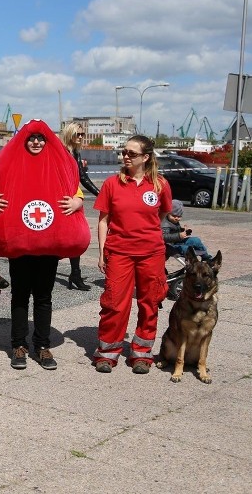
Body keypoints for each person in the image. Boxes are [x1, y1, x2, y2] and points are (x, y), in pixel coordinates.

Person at [0, 120, 88, 371]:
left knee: (43, 297)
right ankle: (18, 345)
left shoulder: (60, 162)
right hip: (20, 242)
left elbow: (74, 188)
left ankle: (42, 345)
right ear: (24, 140)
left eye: (41, 138)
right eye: (32, 138)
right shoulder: (11, 163)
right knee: (19, 296)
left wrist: (77, 202)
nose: (36, 142)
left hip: (47, 243)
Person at [93, 135, 172, 375]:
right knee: (115, 304)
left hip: (151, 254)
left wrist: (145, 234)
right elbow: (103, 220)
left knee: (150, 303)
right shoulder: (112, 184)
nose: (125, 156)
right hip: (119, 253)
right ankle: (107, 353)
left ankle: (141, 354)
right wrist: (102, 252)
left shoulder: (160, 185)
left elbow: (161, 216)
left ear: (146, 157)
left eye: (131, 153)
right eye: (124, 152)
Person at [59, 123, 99, 291]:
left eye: (83, 134)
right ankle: (42, 274)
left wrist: (101, 194)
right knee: (57, 238)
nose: (81, 137)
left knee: (74, 237)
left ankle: (75, 274)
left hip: (73, 199)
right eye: (78, 134)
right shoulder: (60, 151)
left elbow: (82, 177)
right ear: (70, 134)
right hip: (60, 200)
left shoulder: (75, 152)